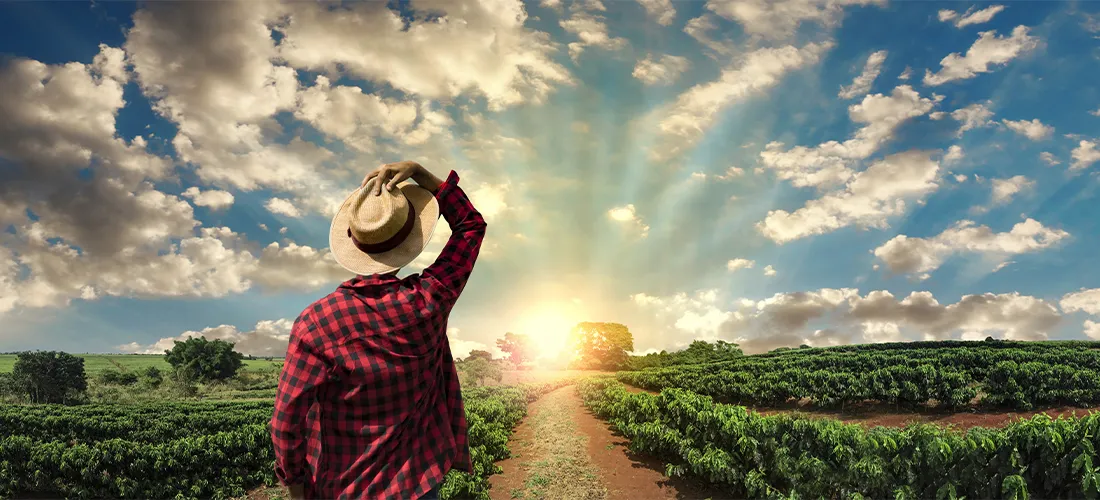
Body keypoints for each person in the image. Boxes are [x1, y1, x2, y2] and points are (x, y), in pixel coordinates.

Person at [270, 161, 487, 500]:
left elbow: (286, 423)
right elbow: (470, 226)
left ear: (353, 242)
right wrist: (422, 174)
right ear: (410, 240)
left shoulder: (315, 324)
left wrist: (297, 488)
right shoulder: (429, 300)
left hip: (346, 487)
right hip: (419, 480)